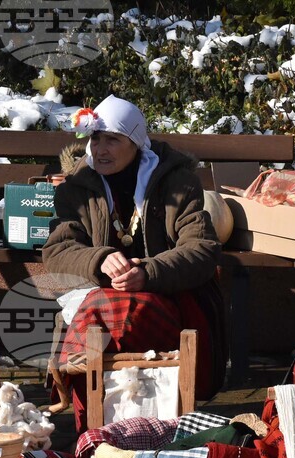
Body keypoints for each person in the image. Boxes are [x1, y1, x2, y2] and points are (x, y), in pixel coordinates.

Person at [43, 95, 227, 430]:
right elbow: (58, 251)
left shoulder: (178, 182)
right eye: (95, 138)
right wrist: (98, 259)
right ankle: (98, 426)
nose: (100, 149)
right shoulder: (76, 187)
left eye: (112, 139)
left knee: (112, 315)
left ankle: (124, 415)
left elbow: (202, 249)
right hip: (99, 294)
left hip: (167, 296)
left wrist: (148, 273)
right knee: (101, 311)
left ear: (137, 142)